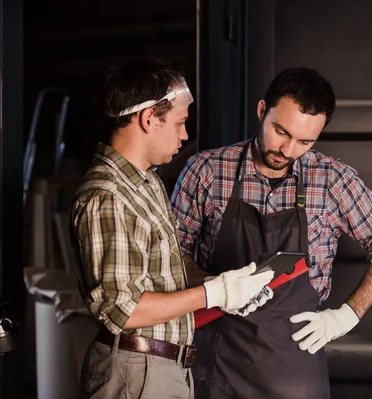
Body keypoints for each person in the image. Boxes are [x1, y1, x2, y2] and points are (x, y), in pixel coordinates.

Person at [170, 67, 372, 398]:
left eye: (305, 141)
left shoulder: (332, 181)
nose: (288, 149)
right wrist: (216, 288)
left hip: (294, 369)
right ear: (261, 111)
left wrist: (347, 315)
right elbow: (170, 255)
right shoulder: (207, 171)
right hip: (218, 362)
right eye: (281, 132)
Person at [69, 57, 275, 399]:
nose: (185, 134)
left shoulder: (146, 181)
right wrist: (214, 294)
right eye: (179, 122)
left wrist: (225, 286)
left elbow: (166, 267)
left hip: (163, 369)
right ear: (149, 119)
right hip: (136, 374)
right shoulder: (108, 196)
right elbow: (125, 308)